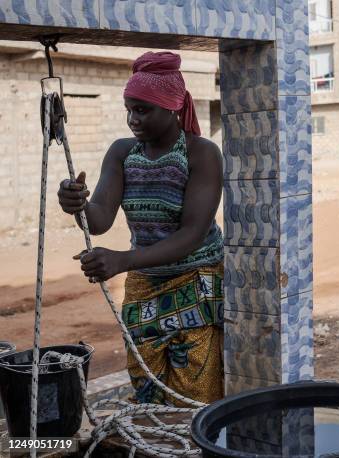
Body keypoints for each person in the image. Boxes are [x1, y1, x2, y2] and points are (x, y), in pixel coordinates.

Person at [57, 51, 224, 406]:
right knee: (146, 387)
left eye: (142, 110)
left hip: (195, 281)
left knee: (195, 393)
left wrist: (123, 260)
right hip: (145, 284)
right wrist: (77, 205)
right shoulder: (122, 153)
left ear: (172, 107)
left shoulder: (202, 154)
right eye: (129, 109)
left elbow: (192, 234)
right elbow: (99, 220)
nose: (133, 119)